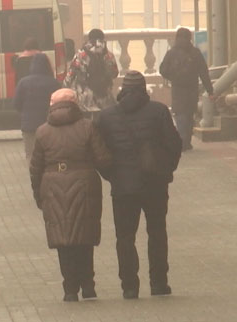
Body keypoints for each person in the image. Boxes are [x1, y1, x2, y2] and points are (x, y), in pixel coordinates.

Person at [96, 71, 182, 300]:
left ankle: (129, 287)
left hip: (123, 187)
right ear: (144, 89)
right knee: (156, 232)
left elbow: (99, 154)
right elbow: (174, 145)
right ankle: (159, 283)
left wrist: (112, 176)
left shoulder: (106, 117)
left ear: (122, 89)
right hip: (154, 184)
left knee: (125, 236)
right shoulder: (159, 112)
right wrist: (165, 172)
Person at [29, 88, 113, 302]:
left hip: (52, 186)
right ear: (75, 103)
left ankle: (69, 289)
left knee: (63, 237)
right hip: (85, 185)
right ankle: (88, 286)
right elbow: (103, 159)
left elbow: (35, 167)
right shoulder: (87, 127)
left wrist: (39, 194)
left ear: (52, 105)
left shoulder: (42, 132)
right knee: (84, 235)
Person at [159, 27, 215, 151]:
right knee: (189, 114)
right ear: (190, 38)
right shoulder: (195, 53)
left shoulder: (171, 53)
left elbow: (162, 70)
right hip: (192, 89)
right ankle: (187, 142)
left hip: (178, 89)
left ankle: (182, 140)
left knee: (180, 114)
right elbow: (204, 73)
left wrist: (172, 76)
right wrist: (210, 91)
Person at [13, 52, 60, 162]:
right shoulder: (54, 83)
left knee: (31, 156)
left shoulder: (23, 83)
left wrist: (25, 113)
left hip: (29, 127)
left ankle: (34, 177)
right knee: (50, 155)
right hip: (50, 126)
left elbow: (16, 104)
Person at [63, 28, 119, 120]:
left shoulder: (81, 54)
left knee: (87, 126)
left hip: (85, 100)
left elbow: (71, 74)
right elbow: (114, 74)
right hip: (104, 99)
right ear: (103, 39)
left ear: (89, 39)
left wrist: (65, 87)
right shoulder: (109, 55)